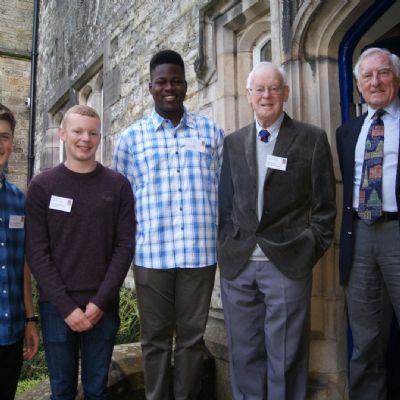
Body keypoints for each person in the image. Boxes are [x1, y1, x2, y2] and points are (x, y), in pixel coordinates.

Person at [218, 61, 336, 400]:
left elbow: (325, 209)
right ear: (248, 95)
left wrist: (306, 249)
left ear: (285, 94)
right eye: (260, 89)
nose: (266, 95)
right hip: (239, 265)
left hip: (286, 263)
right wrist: (225, 244)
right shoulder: (233, 142)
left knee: (285, 356)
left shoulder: (311, 139)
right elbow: (225, 205)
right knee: (243, 354)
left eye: (273, 89)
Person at [112, 49, 224, 400]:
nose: (169, 88)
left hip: (199, 254)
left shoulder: (211, 133)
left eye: (176, 81)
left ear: (186, 86)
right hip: (151, 256)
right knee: (155, 342)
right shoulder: (131, 139)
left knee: (192, 340)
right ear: (150, 87)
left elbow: (224, 191)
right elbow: (122, 203)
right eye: (162, 82)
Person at [25, 105, 135, 399]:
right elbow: (37, 251)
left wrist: (100, 302)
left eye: (92, 133)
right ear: (62, 134)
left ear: (100, 137)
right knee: (61, 392)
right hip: (56, 308)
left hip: (103, 306)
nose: (85, 138)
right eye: (77, 131)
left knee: (97, 391)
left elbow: (124, 247)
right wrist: (66, 307)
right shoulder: (42, 186)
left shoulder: (118, 185)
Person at [336, 47, 400, 400]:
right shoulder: (347, 132)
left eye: (384, 73)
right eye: (368, 76)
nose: (376, 82)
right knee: (366, 338)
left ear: (395, 77)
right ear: (358, 84)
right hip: (358, 236)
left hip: (397, 231)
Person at [0, 102, 39, 400]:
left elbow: (22, 265)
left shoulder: (18, 199)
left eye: (4, 136)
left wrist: (30, 319)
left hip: (10, 332)